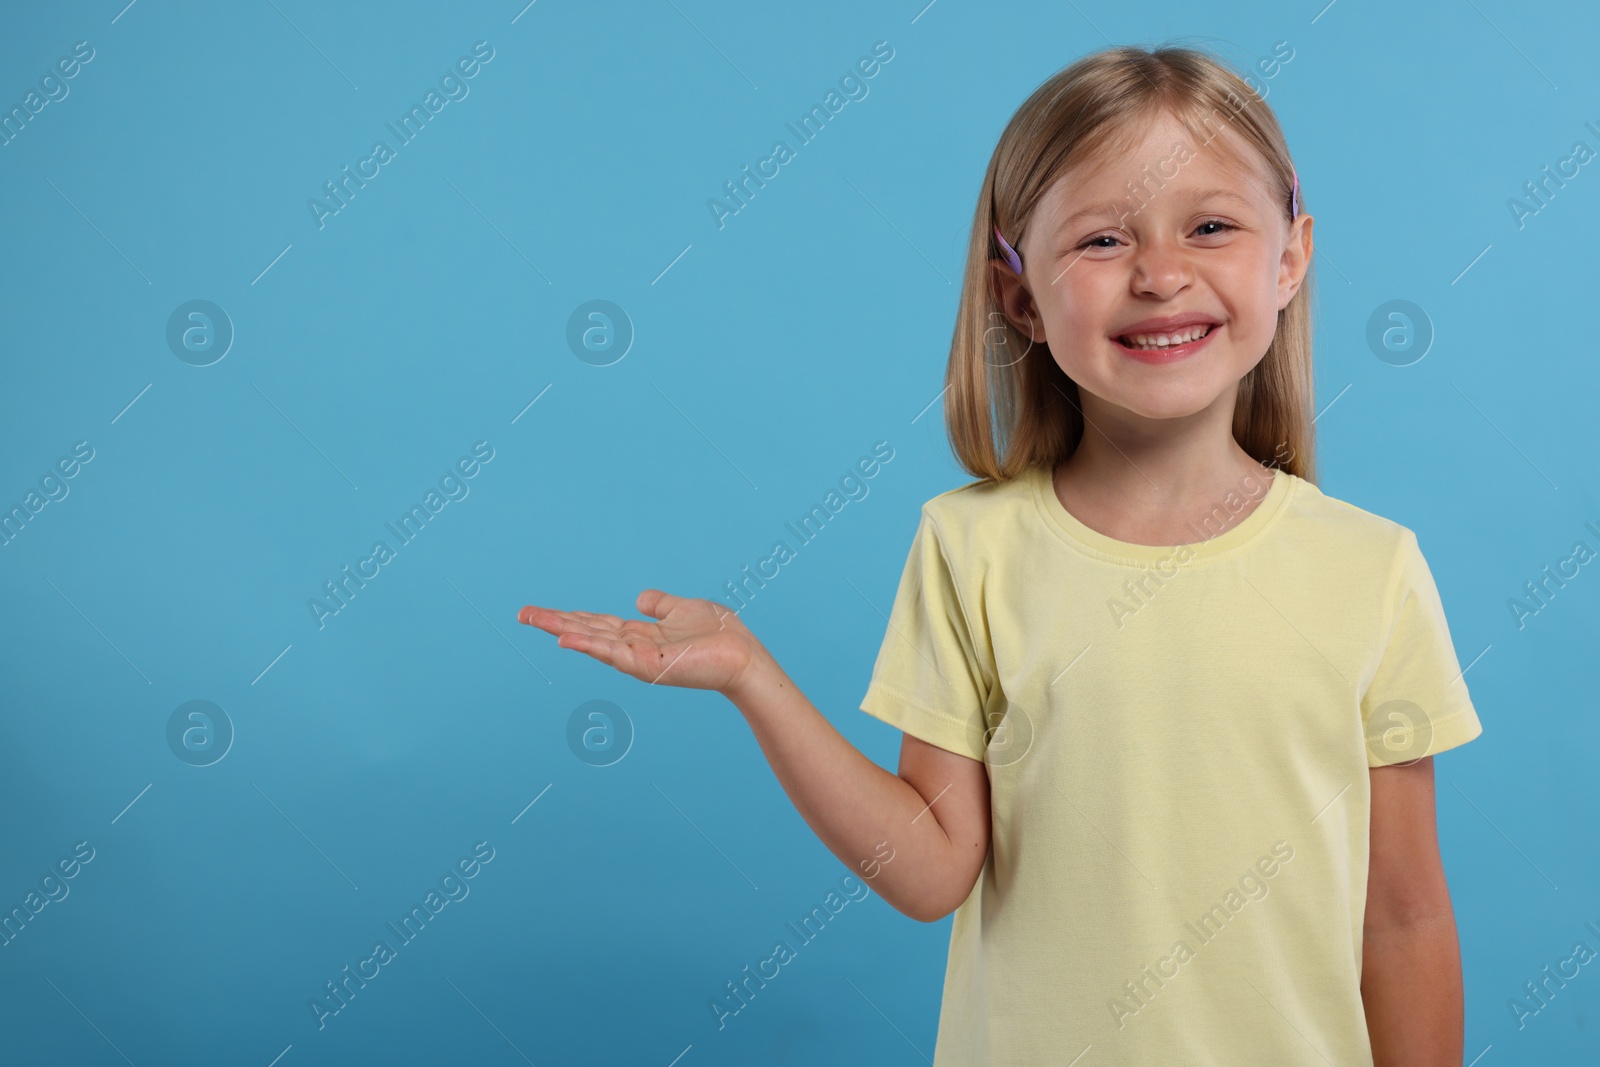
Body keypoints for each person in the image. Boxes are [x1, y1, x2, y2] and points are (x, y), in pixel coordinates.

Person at [517, 43, 1483, 1066]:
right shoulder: (968, 547)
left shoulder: (1369, 569)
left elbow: (1403, 914)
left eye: (1209, 225)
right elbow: (931, 869)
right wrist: (752, 675)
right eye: (1104, 239)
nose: (1160, 273)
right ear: (1019, 296)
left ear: (1289, 256)